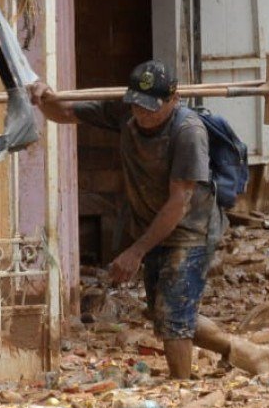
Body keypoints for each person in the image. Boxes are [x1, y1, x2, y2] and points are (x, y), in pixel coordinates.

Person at [30, 61, 221, 380]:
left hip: (189, 230)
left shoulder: (188, 132)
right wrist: (45, 97)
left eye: (152, 109)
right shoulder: (127, 112)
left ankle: (181, 389)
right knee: (163, 314)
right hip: (151, 225)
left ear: (173, 101)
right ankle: (234, 349)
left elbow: (179, 201)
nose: (143, 116)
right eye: (138, 107)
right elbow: (64, 114)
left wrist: (136, 251)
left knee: (173, 319)